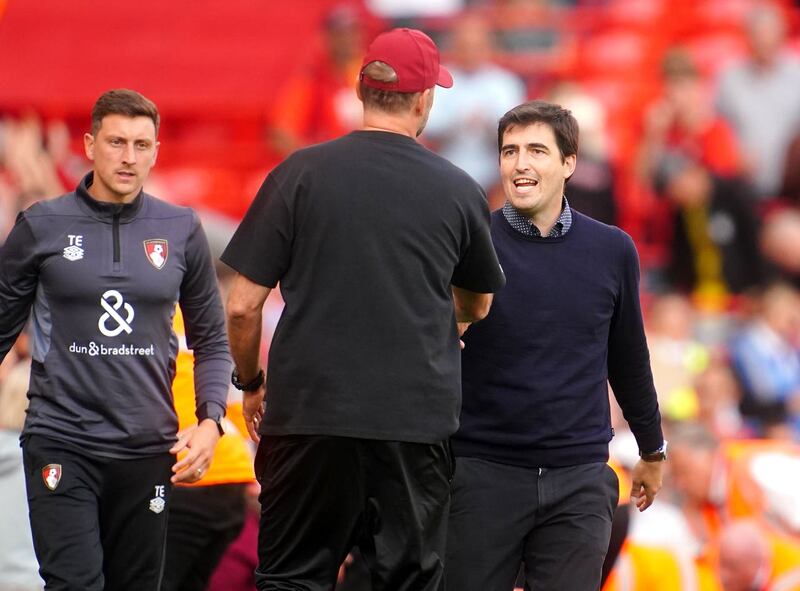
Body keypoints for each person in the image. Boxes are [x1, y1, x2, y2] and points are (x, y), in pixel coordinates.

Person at [222, 27, 505, 591]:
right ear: (425, 100)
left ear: (360, 89)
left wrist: (250, 382)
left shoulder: (298, 173)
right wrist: (446, 324)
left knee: (291, 579)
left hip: (307, 418)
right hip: (412, 423)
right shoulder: (457, 188)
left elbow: (241, 306)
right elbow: (479, 299)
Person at [0, 89, 231, 590]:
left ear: (156, 151)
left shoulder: (181, 229)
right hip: (62, 441)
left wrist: (211, 422)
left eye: (141, 145)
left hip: (147, 450)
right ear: (89, 144)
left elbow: (211, 337)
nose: (129, 158)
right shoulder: (42, 225)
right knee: (75, 584)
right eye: (117, 142)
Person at [445, 100, 665, 591]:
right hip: (481, 472)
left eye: (536, 150)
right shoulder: (466, 240)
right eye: (509, 151)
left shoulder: (613, 250)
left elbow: (628, 357)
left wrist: (652, 448)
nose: (520, 163)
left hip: (579, 476)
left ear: (569, 163)